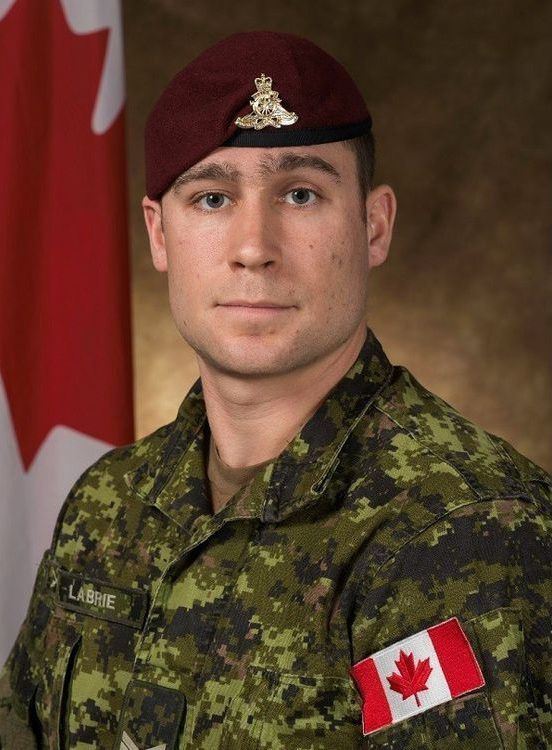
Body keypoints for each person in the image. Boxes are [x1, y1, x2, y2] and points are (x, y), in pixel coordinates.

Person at [0, 30, 550, 750]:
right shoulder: (107, 505)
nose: (254, 247)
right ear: (159, 235)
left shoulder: (469, 530)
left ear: (374, 226)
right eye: (212, 198)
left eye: (300, 194)